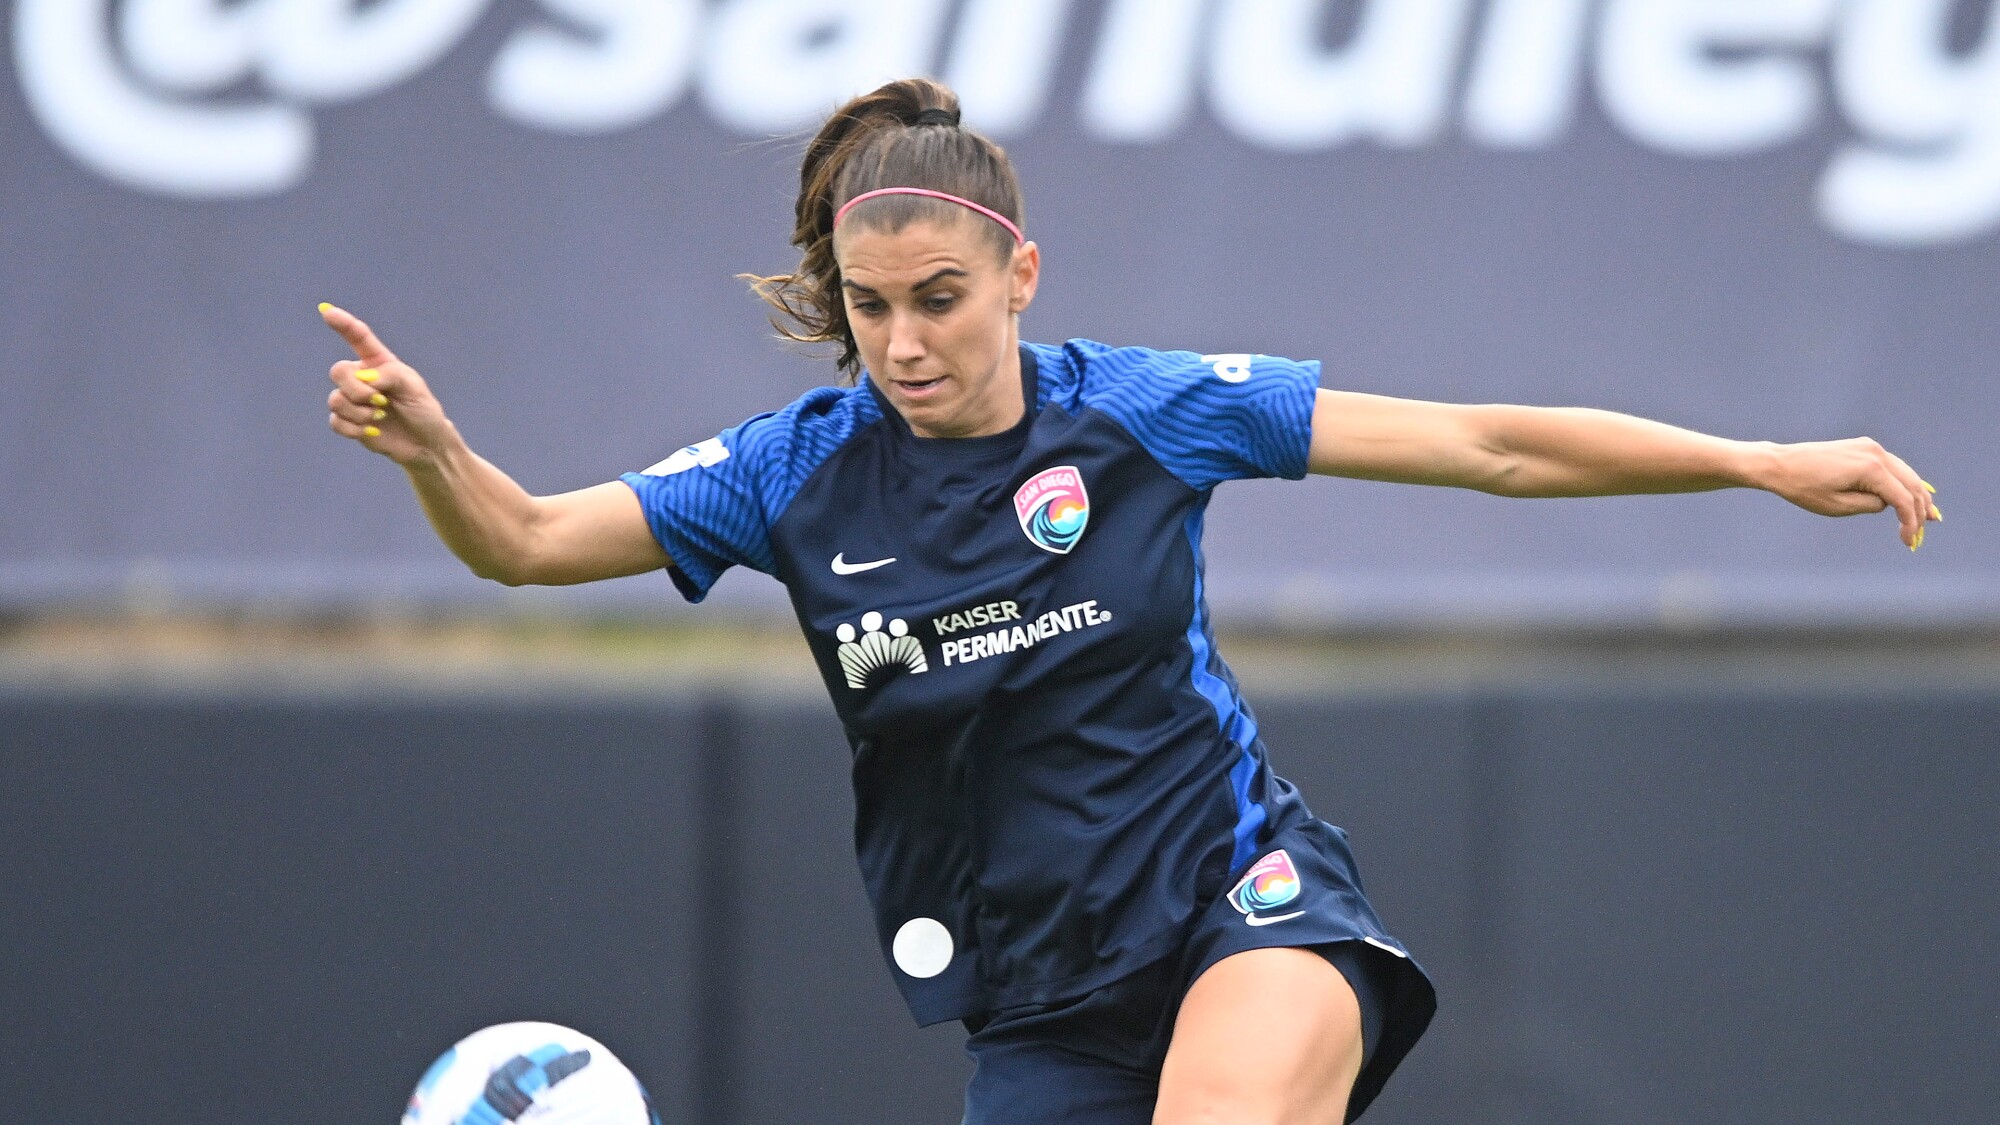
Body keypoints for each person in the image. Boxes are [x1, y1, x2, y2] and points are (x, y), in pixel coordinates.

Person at [318, 77, 1939, 1125]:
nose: (903, 342)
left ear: (1022, 276)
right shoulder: (789, 474)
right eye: (868, 307)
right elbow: (525, 541)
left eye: (940, 301)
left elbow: (1485, 444)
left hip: (1248, 906)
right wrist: (436, 451)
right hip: (1038, 1002)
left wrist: (1753, 454)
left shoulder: (1149, 411)